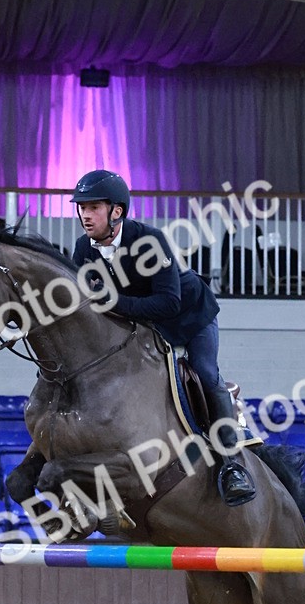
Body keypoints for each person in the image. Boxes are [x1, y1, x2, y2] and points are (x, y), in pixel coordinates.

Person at [70, 168, 255, 507]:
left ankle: (231, 465)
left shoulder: (148, 241)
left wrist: (113, 302)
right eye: (81, 206)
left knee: (204, 372)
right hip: (143, 326)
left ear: (117, 212)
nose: (84, 214)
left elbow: (169, 302)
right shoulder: (84, 249)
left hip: (189, 318)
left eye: (93, 206)